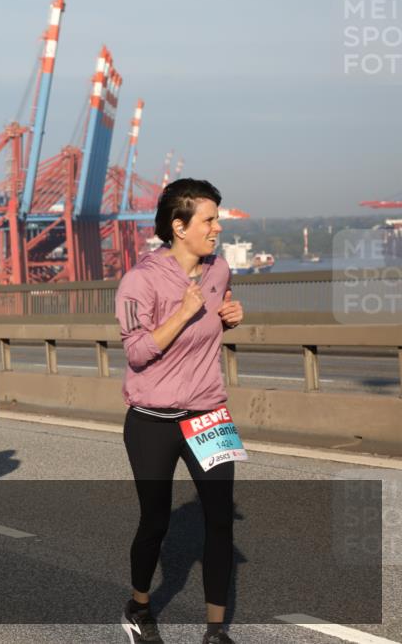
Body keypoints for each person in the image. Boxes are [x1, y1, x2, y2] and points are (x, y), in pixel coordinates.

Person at [115, 179, 244, 644]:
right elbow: (137, 353)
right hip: (151, 421)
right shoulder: (139, 281)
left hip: (208, 415)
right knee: (156, 520)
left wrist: (228, 317)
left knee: (220, 520)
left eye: (217, 219)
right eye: (208, 220)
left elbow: (208, 334)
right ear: (178, 226)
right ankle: (139, 605)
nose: (217, 228)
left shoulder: (219, 270)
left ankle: (215, 631)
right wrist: (183, 313)